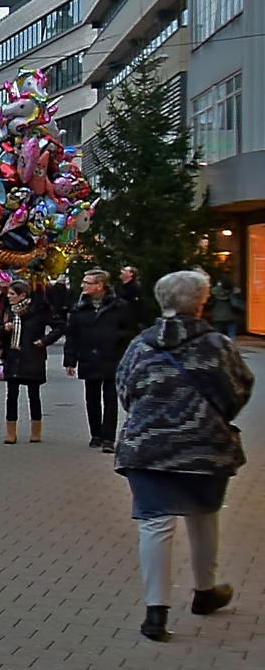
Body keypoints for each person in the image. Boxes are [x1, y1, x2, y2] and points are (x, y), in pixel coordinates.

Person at [114, 269, 253, 641]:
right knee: (204, 515)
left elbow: (124, 390)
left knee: (155, 523)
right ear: (201, 302)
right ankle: (205, 591)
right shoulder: (218, 345)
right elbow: (241, 387)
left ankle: (155, 613)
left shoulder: (141, 345)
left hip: (147, 446)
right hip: (205, 446)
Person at [66, 268, 139, 451]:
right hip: (88, 357)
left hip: (111, 357)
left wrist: (115, 338)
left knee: (110, 398)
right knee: (91, 397)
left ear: (100, 285)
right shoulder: (79, 308)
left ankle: (109, 438)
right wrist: (70, 360)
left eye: (87, 282)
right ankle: (95, 434)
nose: (83, 285)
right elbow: (72, 335)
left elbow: (130, 330)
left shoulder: (118, 306)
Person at [0, 279, 61, 444]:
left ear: (23, 295)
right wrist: (4, 328)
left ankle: (35, 431)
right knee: (11, 395)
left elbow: (59, 326)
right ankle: (11, 433)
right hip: (12, 356)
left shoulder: (40, 309)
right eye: (8, 294)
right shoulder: (7, 310)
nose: (9, 297)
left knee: (34, 395)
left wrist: (44, 341)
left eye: (12, 294)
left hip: (32, 356)